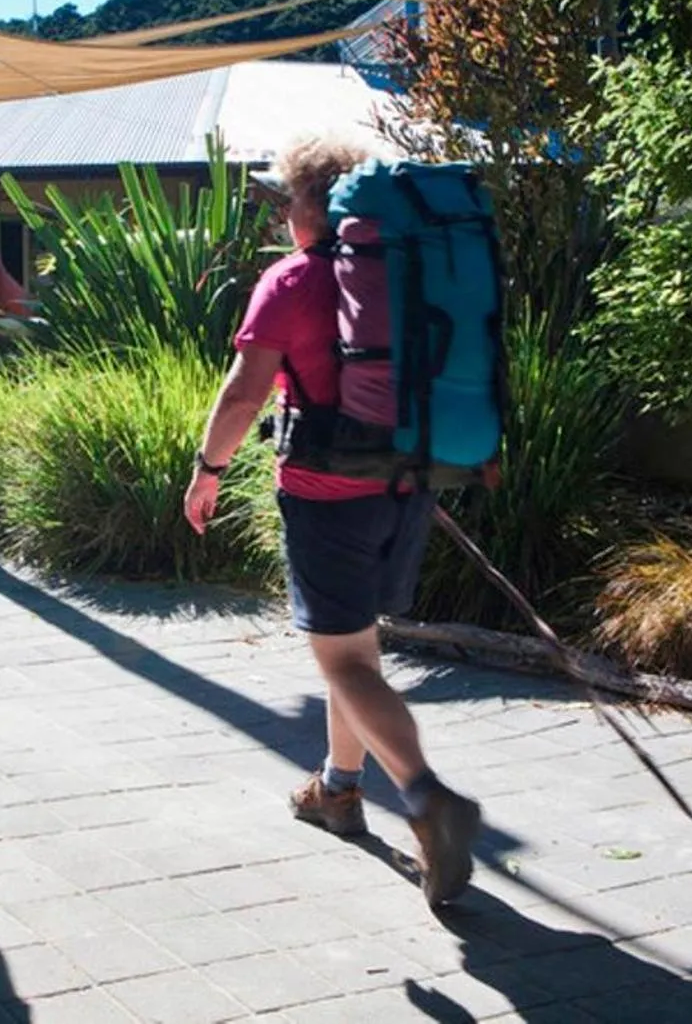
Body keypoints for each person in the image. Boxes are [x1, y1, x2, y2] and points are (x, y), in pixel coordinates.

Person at [183, 133, 482, 908]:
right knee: (354, 646)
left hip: (325, 493)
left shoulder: (289, 281)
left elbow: (243, 393)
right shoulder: (409, 273)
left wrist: (206, 470)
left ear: (309, 207)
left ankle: (425, 797)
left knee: (342, 659)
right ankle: (338, 790)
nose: (280, 213)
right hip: (410, 483)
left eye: (283, 199)